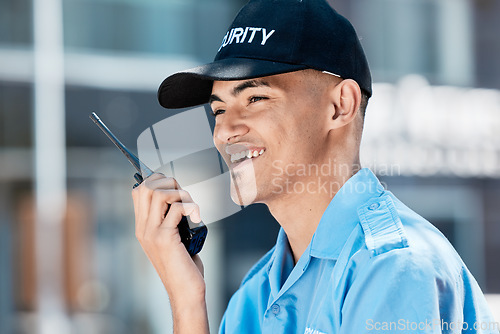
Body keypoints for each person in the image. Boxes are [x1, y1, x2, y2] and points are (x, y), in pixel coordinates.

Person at [132, 0, 498, 333]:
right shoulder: (256, 294)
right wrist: (187, 301)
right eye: (219, 109)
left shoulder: (393, 268)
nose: (224, 131)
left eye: (256, 98)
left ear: (340, 105)